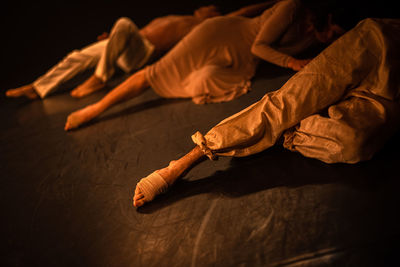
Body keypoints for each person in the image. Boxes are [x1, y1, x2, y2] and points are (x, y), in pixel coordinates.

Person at [133, 18, 400, 207]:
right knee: (286, 105)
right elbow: (260, 40)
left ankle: (289, 129)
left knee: (356, 145)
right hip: (378, 44)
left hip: (393, 86)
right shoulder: (292, 9)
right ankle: (181, 164)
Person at [63, 0, 345, 131]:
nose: (328, 33)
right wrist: (293, 62)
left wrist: (321, 41)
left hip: (241, 57)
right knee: (156, 73)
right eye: (328, 26)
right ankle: (94, 110)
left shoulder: (317, 32)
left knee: (203, 79)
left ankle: (97, 98)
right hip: (220, 36)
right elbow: (258, 43)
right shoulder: (292, 8)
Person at [5, 2, 275, 99]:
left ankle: (99, 78)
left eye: (214, 9)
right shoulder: (180, 16)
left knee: (123, 22)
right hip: (128, 46)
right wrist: (114, 41)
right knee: (78, 55)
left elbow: (243, 12)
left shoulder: (203, 24)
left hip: (140, 54)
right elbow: (140, 31)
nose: (210, 8)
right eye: (208, 7)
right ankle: (38, 87)